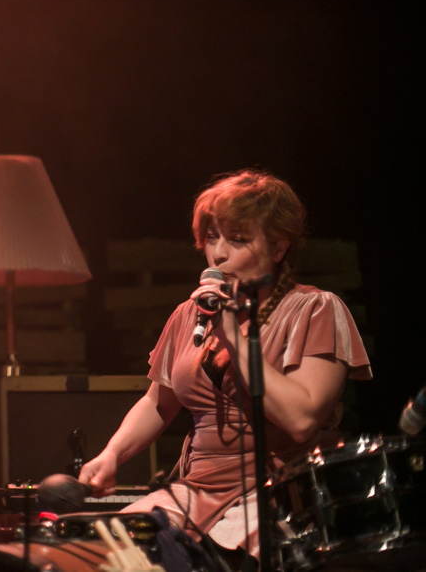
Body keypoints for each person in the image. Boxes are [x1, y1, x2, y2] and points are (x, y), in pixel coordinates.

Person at [78, 169, 371, 565]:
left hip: (277, 488)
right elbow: (157, 404)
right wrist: (112, 454)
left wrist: (235, 336)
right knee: (112, 552)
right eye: (212, 238)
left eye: (237, 240)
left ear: (279, 248)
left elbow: (302, 419)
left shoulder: (314, 309)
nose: (218, 254)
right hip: (196, 488)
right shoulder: (189, 315)